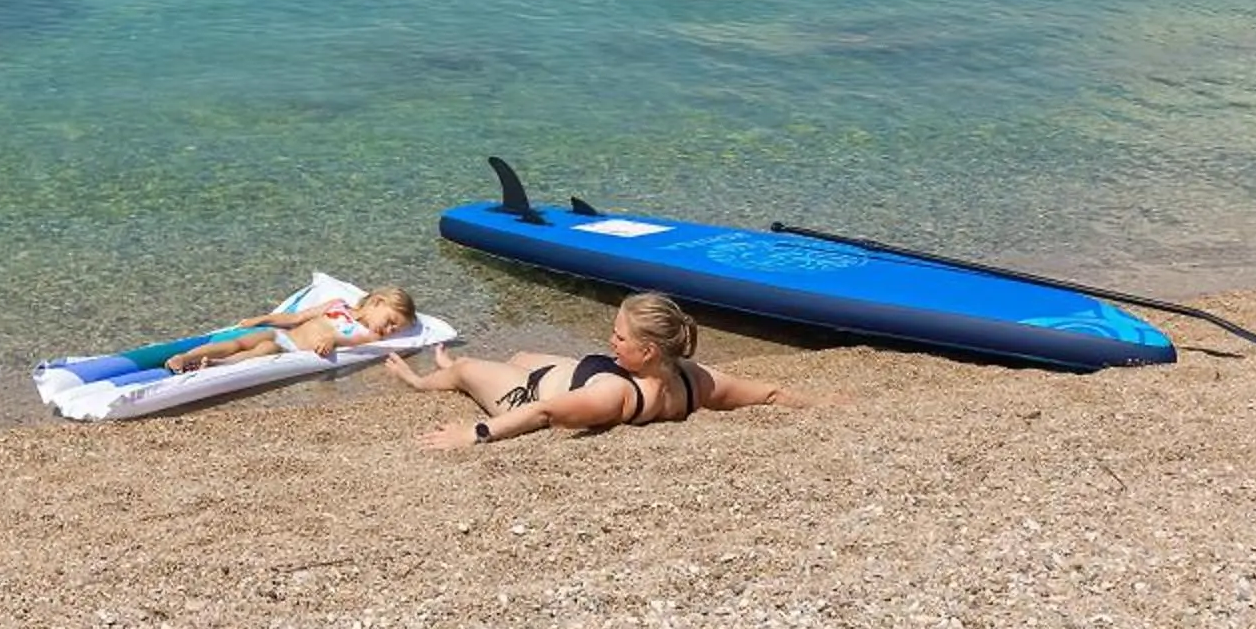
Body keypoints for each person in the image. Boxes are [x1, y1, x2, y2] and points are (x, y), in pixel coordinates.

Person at [385, 290, 810, 448]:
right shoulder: (691, 378)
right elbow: (770, 394)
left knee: (465, 368)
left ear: (647, 351)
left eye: (619, 337)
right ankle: (451, 366)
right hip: (580, 372)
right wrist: (819, 404)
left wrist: (474, 433)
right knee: (519, 354)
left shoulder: (615, 395)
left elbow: (544, 413)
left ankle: (423, 378)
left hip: (534, 392)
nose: (611, 340)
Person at [163, 285, 419, 372]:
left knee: (264, 349)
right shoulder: (337, 304)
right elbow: (297, 318)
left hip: (292, 350)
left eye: (395, 330)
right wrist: (261, 319)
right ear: (376, 302)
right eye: (390, 321)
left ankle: (217, 365)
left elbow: (348, 341)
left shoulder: (368, 335)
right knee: (241, 341)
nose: (390, 330)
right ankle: (185, 357)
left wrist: (332, 340)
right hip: (284, 334)